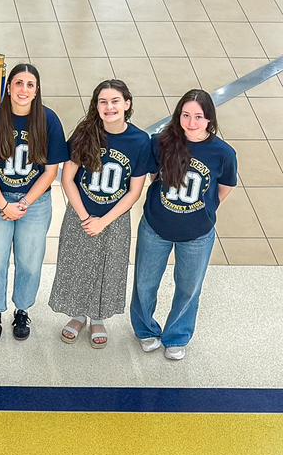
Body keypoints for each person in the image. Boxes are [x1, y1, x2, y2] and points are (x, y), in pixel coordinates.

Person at [130, 90, 236, 361]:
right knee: (145, 282)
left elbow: (224, 188)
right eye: (186, 115)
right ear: (178, 116)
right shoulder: (160, 142)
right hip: (156, 227)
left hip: (197, 234)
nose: (191, 122)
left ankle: (177, 336)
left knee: (189, 287)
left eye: (198, 117)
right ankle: (145, 330)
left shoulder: (223, 153)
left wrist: (202, 211)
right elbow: (153, 176)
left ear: (209, 119)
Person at [48, 80, 153, 348]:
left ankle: (97, 318)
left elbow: (134, 191)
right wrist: (85, 217)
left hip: (115, 219)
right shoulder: (84, 133)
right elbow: (68, 178)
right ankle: (76, 314)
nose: (109, 107)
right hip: (80, 214)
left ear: (127, 104)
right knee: (76, 264)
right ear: (96, 106)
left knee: (109, 268)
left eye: (115, 101)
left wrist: (104, 220)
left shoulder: (140, 141)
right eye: (103, 102)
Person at [0, 63, 67, 341]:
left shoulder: (48, 121)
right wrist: (3, 204)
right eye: (18, 83)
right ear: (8, 87)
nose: (24, 89)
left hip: (34, 203)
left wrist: (23, 203)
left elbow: (51, 171)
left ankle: (22, 310)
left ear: (36, 91)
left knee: (30, 263)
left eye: (30, 85)